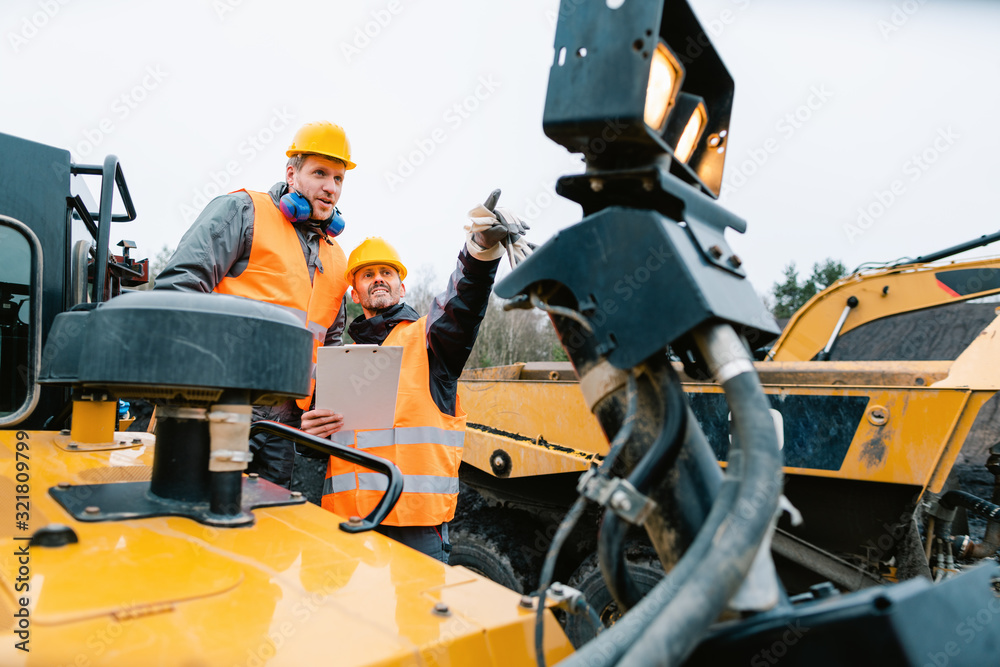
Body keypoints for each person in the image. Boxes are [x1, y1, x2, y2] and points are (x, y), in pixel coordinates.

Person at [300, 202, 529, 562]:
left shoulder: (431, 341)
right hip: (348, 528)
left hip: (417, 530)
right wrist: (309, 436)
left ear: (401, 287)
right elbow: (324, 442)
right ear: (354, 294)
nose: (378, 278)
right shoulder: (338, 361)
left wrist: (480, 252)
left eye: (387, 273)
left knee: (418, 620)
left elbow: (463, 306)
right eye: (367, 273)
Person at [155, 121, 354, 488]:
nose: (331, 187)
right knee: (189, 521)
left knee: (265, 530)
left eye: (339, 178)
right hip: (211, 409)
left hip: (282, 429)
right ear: (291, 175)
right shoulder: (243, 211)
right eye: (320, 173)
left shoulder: (338, 258)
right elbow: (177, 293)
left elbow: (331, 346)